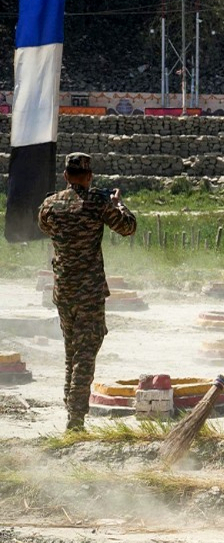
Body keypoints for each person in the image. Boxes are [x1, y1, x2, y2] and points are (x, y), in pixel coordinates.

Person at [36, 152, 137, 430]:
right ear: (89, 176)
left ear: (66, 175)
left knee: (72, 350)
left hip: (64, 290)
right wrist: (119, 204)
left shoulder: (50, 205)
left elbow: (44, 226)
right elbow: (128, 227)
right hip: (89, 292)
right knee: (85, 353)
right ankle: (76, 417)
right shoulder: (98, 203)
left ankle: (71, 405)